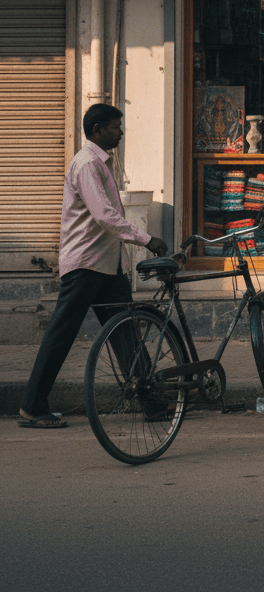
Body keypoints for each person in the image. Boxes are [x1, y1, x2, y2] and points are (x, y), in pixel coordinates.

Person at [18, 104, 168, 429]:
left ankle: (153, 402)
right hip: (86, 264)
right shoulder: (87, 164)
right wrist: (146, 239)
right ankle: (32, 406)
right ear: (98, 130)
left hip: (105, 264)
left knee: (126, 331)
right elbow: (104, 215)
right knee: (61, 334)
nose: (121, 132)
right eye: (115, 127)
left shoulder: (101, 163)